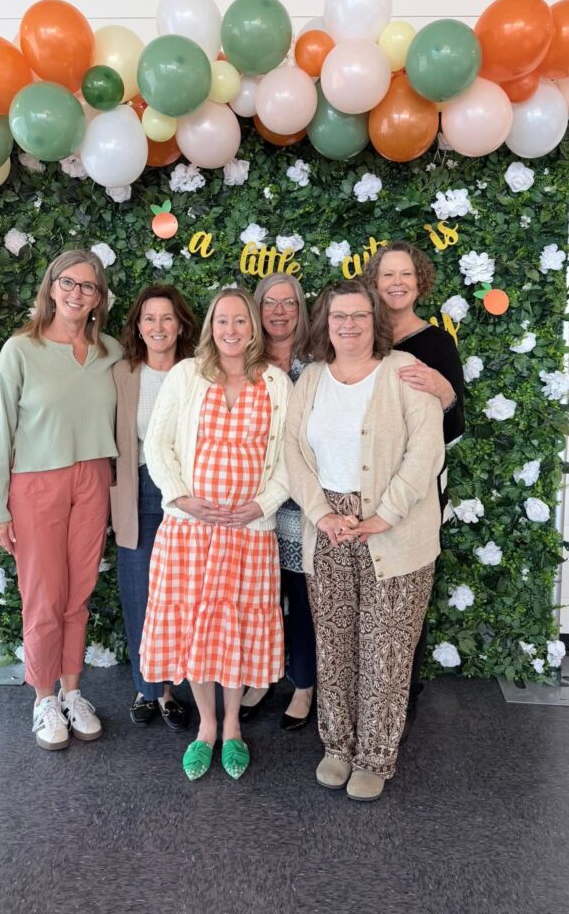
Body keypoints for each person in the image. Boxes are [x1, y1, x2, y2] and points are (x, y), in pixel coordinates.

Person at [285, 280, 444, 802]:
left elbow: (426, 450)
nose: (347, 325)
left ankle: (375, 756)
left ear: (373, 320)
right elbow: (293, 452)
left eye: (357, 315)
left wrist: (384, 515)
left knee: (386, 649)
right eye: (337, 316)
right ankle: (337, 746)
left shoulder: (403, 371)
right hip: (327, 527)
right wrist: (321, 513)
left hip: (393, 530)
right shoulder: (310, 378)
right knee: (334, 643)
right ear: (323, 323)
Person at [141, 289, 291, 781]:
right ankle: (206, 726)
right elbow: (157, 443)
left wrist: (261, 505)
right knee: (197, 631)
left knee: (238, 632)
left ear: (253, 327)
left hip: (249, 533)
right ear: (211, 326)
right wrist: (181, 498)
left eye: (240, 321)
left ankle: (233, 728)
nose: (231, 330)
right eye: (222, 321)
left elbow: (291, 455)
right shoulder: (188, 375)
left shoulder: (274, 381)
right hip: (189, 530)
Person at [0, 249, 122, 751]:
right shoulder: (20, 349)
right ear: (51, 287)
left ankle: (72, 692)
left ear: (98, 299)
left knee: (78, 593)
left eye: (88, 287)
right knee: (43, 597)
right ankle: (43, 699)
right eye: (68, 282)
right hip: (36, 483)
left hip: (93, 477)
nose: (76, 293)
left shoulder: (109, 350)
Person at [364, 241, 465, 735]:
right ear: (375, 282)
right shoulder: (362, 336)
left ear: (419, 281)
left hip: (417, 492)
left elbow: (455, 425)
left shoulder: (436, 344)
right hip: (360, 489)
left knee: (406, 594)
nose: (397, 283)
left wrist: (445, 393)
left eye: (406, 274)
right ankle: (361, 691)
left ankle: (401, 697)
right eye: (388, 275)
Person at [111, 284, 198, 731]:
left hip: (187, 494)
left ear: (180, 324)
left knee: (185, 595)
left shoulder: (199, 373)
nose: (158, 326)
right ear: (138, 327)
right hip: (139, 491)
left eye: (167, 318)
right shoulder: (123, 373)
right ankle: (151, 690)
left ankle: (182, 685)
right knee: (140, 593)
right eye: (149, 318)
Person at [239, 273, 315, 730]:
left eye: (289, 302)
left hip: (305, 499)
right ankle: (259, 677)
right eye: (270, 302)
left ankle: (304, 686)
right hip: (256, 499)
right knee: (259, 596)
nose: (279, 311)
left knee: (303, 598)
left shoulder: (317, 361)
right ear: (257, 309)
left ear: (300, 309)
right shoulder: (243, 361)